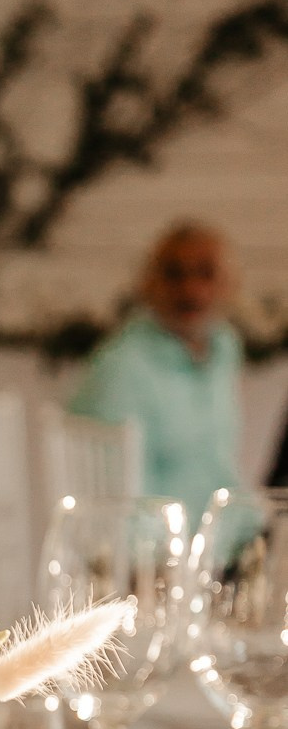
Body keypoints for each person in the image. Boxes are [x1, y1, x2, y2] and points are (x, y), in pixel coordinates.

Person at [70, 223, 242, 521]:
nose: (190, 290)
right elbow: (118, 500)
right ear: (149, 284)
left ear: (228, 284)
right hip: (155, 550)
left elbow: (220, 465)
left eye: (205, 272)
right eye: (174, 274)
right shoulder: (122, 366)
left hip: (218, 540)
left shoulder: (224, 346)